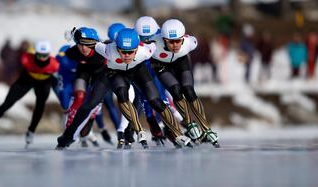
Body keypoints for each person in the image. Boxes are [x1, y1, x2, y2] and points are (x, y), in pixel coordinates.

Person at [57, 28, 192, 149]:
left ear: (137, 48)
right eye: (123, 52)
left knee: (155, 101)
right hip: (113, 72)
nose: (126, 56)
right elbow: (88, 42)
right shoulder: (107, 49)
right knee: (91, 103)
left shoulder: (145, 51)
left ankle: (177, 133)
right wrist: (75, 34)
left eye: (130, 52)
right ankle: (68, 137)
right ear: (116, 48)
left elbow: (159, 42)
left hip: (137, 71)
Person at [0, 40, 59, 147]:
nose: (42, 58)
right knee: (7, 103)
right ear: (35, 53)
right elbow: (14, 65)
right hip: (26, 79)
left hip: (43, 82)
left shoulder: (55, 65)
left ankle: (31, 131)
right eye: (39, 55)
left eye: (45, 55)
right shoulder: (26, 58)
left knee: (40, 106)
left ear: (49, 54)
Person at [149, 19, 219, 147]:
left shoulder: (190, 42)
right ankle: (189, 123)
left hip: (181, 62)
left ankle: (206, 128)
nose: (175, 45)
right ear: (163, 39)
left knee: (189, 91)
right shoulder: (153, 44)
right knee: (176, 91)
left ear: (183, 38)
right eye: (171, 42)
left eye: (178, 41)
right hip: (161, 65)